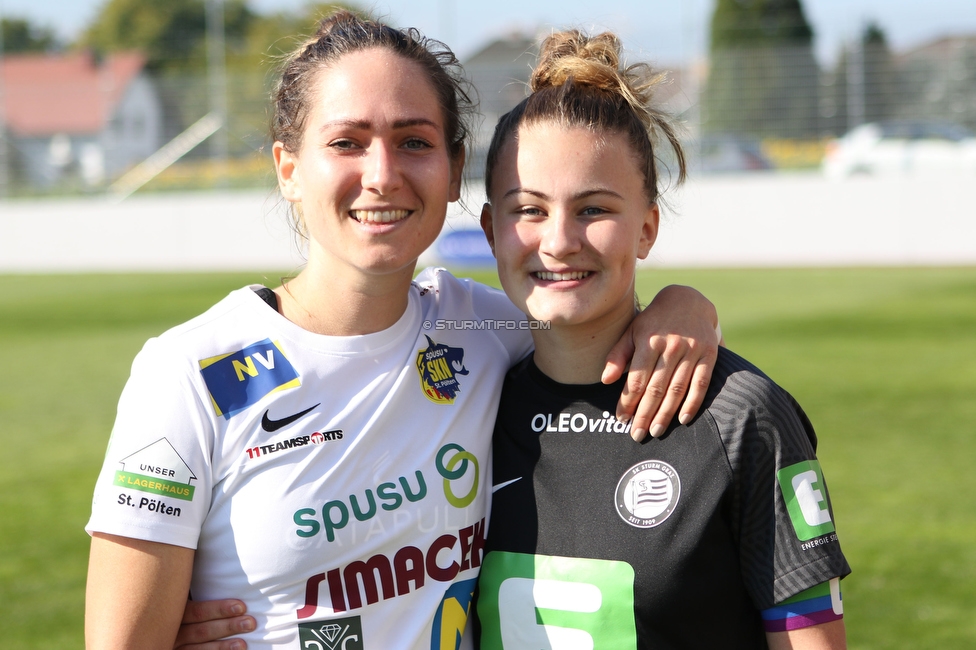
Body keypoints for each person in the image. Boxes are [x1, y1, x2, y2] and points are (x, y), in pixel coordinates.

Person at [84, 12, 721, 650]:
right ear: (288, 169)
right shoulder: (189, 375)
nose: (383, 173)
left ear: (452, 170)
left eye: (414, 141)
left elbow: (589, 315)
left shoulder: (482, 326)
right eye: (346, 142)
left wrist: (684, 305)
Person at [474, 28, 851, 650]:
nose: (559, 240)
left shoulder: (741, 418)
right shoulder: (463, 398)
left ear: (646, 229)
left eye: (594, 209)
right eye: (528, 209)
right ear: (492, 229)